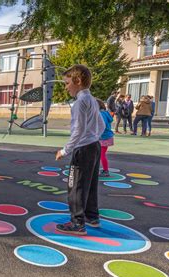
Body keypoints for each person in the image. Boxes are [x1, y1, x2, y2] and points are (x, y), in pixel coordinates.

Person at [55, 65, 105, 235]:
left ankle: (77, 223)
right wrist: (94, 137)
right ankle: (92, 216)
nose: (66, 87)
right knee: (90, 183)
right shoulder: (92, 100)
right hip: (94, 146)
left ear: (77, 81)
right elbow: (102, 124)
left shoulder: (79, 103)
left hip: (83, 149)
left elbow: (78, 130)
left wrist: (65, 150)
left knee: (75, 186)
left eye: (67, 83)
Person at [97, 98, 114, 177]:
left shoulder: (100, 114)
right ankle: (104, 169)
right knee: (100, 154)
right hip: (106, 136)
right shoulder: (105, 113)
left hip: (103, 137)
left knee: (101, 154)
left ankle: (106, 170)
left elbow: (102, 125)